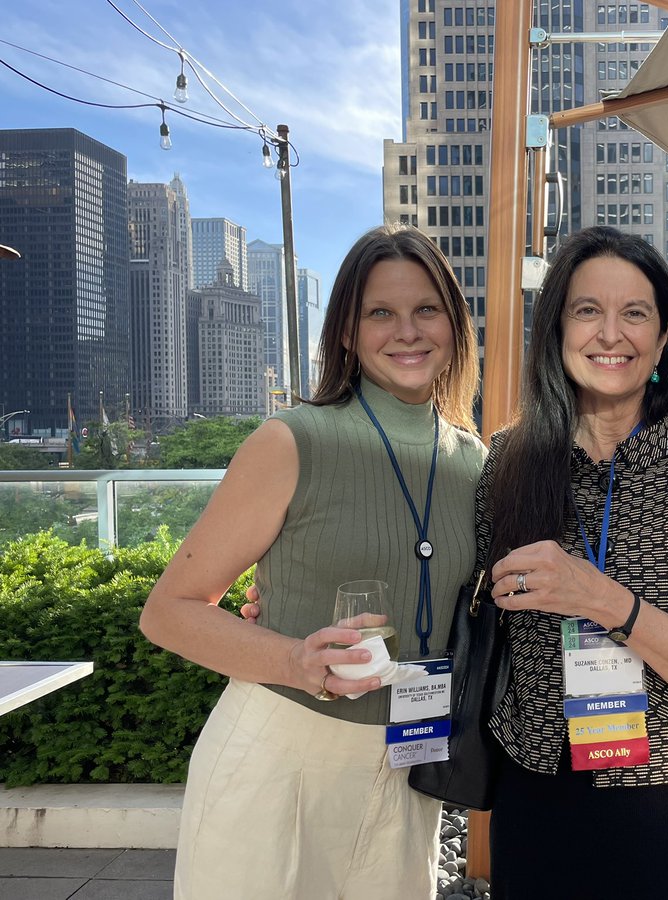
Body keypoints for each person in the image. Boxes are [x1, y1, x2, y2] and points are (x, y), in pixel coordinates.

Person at [140, 225, 485, 900]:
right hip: (282, 754)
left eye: (426, 310)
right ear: (348, 333)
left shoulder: (476, 464)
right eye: (380, 312)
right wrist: (294, 659)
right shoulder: (292, 441)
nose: (407, 331)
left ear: (454, 324)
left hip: (410, 759)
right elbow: (169, 612)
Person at [477, 225, 668, 900]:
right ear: (557, 329)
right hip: (541, 800)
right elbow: (464, 595)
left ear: (664, 338)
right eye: (587, 310)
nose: (609, 334)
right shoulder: (509, 460)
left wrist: (602, 599)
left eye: (635, 313)